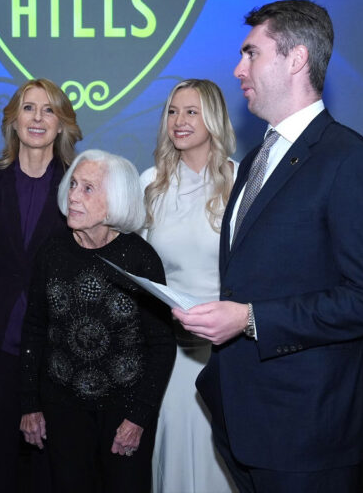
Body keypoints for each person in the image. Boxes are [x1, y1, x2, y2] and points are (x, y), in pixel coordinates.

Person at [173, 0, 363, 492]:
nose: (238, 70)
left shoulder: (351, 162)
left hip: (309, 432)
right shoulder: (258, 158)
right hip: (244, 422)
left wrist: (250, 318)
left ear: (296, 58)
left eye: (251, 53)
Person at [19, 149, 176, 493]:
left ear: (115, 200)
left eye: (88, 188)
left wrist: (138, 417)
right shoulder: (52, 251)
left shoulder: (140, 258)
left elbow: (162, 344)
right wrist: (29, 403)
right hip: (62, 410)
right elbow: (34, 329)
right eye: (73, 184)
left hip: (125, 411)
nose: (73, 195)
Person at [0, 78, 82, 493]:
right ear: (13, 120)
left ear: (61, 123)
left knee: (54, 471)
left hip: (55, 353)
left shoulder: (77, 188)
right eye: (28, 108)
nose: (37, 118)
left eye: (49, 110)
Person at [140, 79, 237, 493]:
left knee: (224, 457)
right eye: (172, 111)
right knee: (175, 454)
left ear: (213, 117)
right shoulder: (150, 183)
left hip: (230, 346)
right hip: (172, 348)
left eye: (191, 111)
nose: (179, 121)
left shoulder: (243, 180)